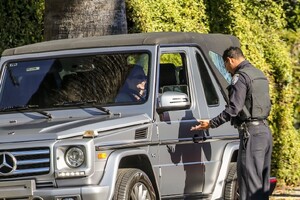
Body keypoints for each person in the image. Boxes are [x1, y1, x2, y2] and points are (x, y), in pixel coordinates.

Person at [191, 47, 272, 200]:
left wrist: (211, 123)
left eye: (226, 66)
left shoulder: (240, 77)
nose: (227, 70)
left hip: (252, 135)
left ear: (230, 60)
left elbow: (234, 108)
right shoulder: (259, 74)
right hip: (265, 132)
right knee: (261, 185)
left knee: (250, 185)